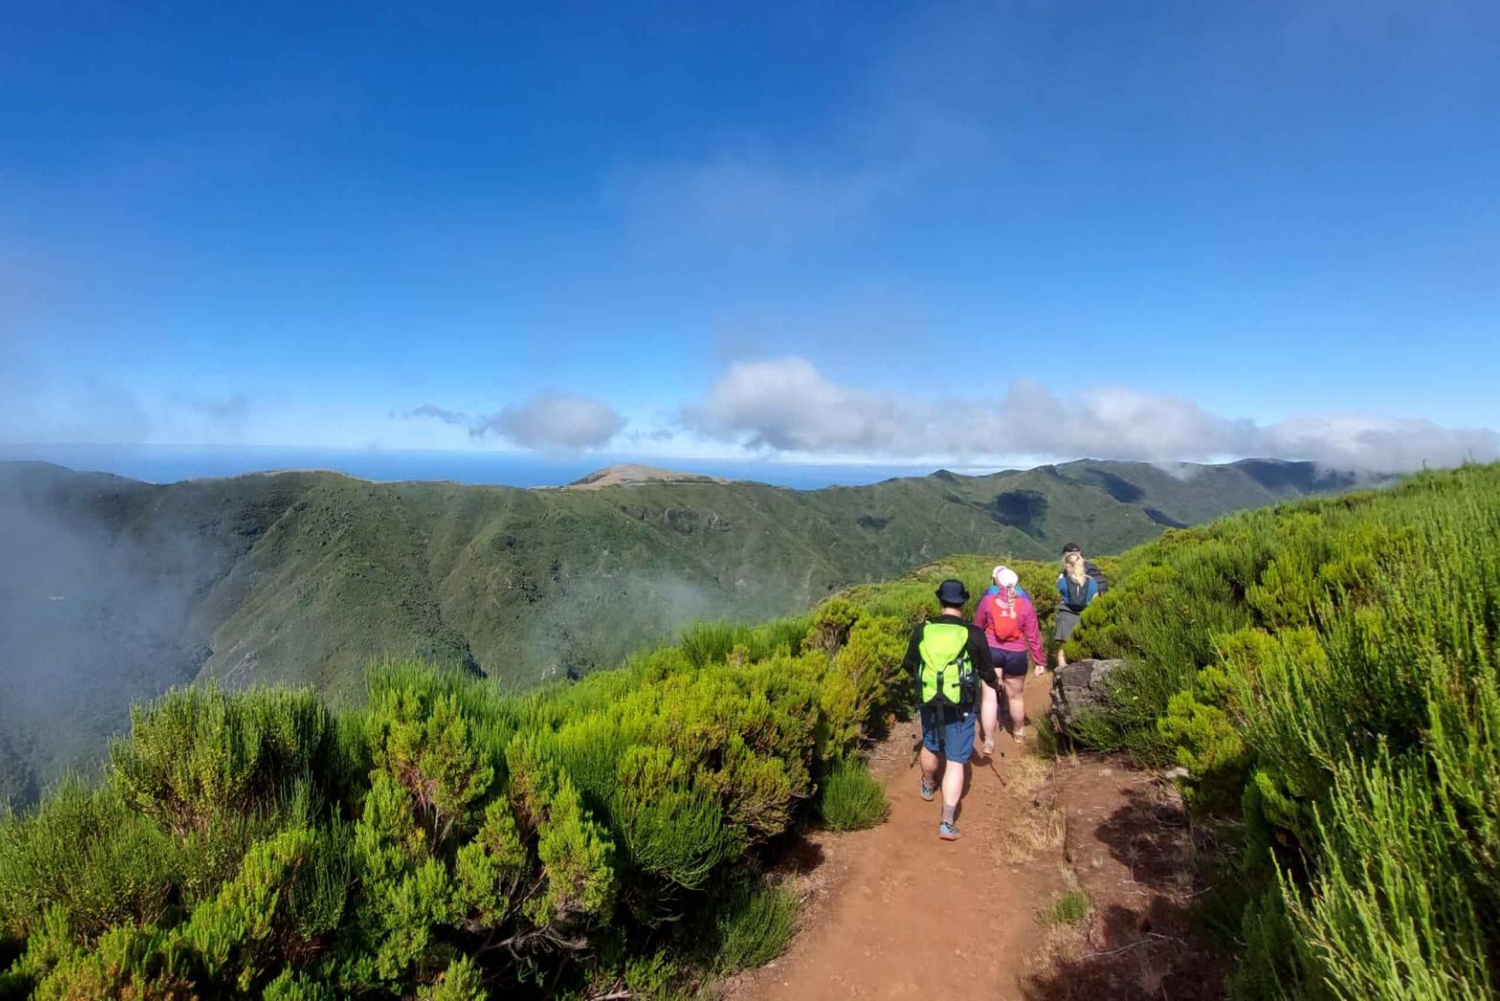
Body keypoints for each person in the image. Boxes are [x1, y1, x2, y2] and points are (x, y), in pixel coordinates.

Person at [901, 578, 996, 841]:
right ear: (963, 603)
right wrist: (994, 685)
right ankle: (946, 822)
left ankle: (928, 785)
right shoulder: (973, 633)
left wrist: (929, 682)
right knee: (955, 761)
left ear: (940, 601)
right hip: (962, 704)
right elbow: (987, 670)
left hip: (930, 700)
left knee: (931, 745)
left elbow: (909, 664)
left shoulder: (923, 630)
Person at [973, 566, 1046, 747]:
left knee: (989, 698)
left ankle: (989, 740)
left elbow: (977, 628)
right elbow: (1033, 636)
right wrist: (1039, 661)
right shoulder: (1026, 604)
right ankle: (1019, 732)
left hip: (991, 651)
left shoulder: (988, 601)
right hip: (1017, 654)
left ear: (997, 582)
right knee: (1015, 697)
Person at [1054, 550, 1101, 669]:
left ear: (1069, 566)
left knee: (1063, 649)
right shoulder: (1092, 582)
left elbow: (1056, 598)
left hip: (1066, 616)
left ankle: (1062, 675)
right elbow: (1095, 602)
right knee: (1084, 646)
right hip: (1085, 617)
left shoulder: (1062, 582)